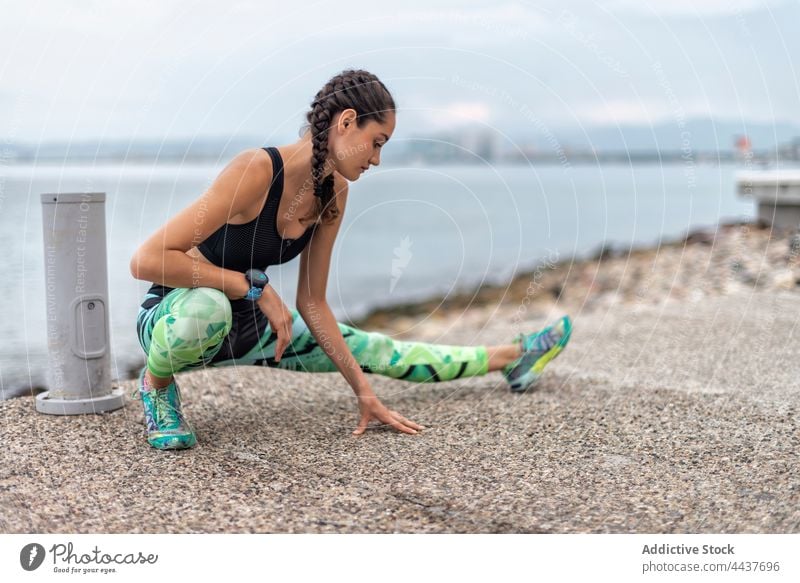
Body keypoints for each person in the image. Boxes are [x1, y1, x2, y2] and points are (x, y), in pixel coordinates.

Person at [129, 69, 572, 450]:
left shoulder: (334, 194)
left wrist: (363, 391)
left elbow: (313, 303)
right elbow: (148, 259)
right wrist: (251, 288)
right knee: (210, 307)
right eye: (376, 142)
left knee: (379, 350)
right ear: (346, 122)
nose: (378, 159)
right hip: (175, 321)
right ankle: (158, 388)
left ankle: (512, 357)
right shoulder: (257, 171)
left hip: (260, 332)